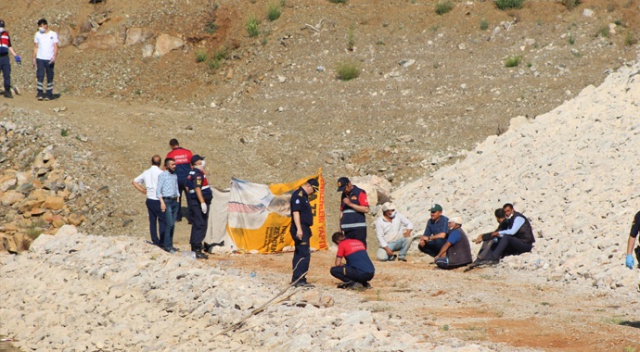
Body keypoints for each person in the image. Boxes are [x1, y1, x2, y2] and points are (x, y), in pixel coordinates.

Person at [289, 178, 319, 288]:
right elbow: (296, 212)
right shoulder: (299, 195)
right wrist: (299, 229)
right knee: (304, 253)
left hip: (304, 227)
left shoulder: (304, 196)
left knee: (299, 252)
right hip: (300, 227)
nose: (314, 193)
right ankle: (300, 279)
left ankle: (297, 278)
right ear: (309, 186)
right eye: (314, 190)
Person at [132, 155, 165, 246]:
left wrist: (143, 190)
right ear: (160, 163)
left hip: (149, 198)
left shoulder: (146, 172)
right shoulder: (161, 173)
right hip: (158, 199)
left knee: (152, 220)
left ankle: (155, 240)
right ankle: (162, 241)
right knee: (162, 220)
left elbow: (134, 181)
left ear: (151, 162)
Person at [186, 155, 212, 259]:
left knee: (197, 224)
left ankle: (194, 247)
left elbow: (188, 187)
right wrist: (202, 202)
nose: (203, 162)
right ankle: (197, 249)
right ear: (197, 163)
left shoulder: (191, 173)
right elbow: (197, 189)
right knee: (201, 224)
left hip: (194, 202)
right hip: (198, 203)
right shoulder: (198, 174)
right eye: (201, 160)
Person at [337, 177, 370, 247]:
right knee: (349, 250)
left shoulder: (360, 192)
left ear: (348, 184)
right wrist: (340, 228)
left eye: (344, 188)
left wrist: (350, 204)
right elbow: (342, 212)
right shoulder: (343, 195)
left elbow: (366, 209)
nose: (344, 191)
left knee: (360, 249)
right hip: (347, 229)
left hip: (358, 229)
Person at [156, 158, 180, 253]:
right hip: (167, 201)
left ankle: (170, 245)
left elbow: (176, 187)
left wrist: (178, 197)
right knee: (169, 224)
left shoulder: (174, 175)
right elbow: (158, 190)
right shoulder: (162, 175)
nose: (174, 166)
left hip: (174, 201)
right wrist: (162, 202)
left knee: (173, 224)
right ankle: (167, 246)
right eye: (172, 164)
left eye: (175, 164)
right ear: (167, 166)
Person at [166, 139, 193, 222]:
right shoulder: (188, 152)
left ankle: (178, 217)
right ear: (178, 144)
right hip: (187, 179)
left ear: (171, 146)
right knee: (190, 198)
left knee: (177, 198)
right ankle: (191, 218)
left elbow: (167, 168)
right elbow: (192, 166)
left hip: (176, 179)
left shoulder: (170, 154)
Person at [33, 18, 58, 101]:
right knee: (40, 75)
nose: (40, 27)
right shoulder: (37, 34)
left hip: (49, 58)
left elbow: (55, 47)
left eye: (41, 26)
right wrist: (34, 57)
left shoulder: (53, 34)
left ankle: (49, 94)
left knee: (50, 75)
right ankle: (40, 93)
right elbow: (36, 47)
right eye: (39, 26)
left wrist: (54, 56)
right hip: (40, 58)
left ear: (46, 25)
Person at [0, 20, 22, 99]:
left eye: (2, 27)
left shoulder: (6, 35)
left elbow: (9, 46)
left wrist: (15, 55)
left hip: (5, 57)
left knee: (7, 74)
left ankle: (7, 91)